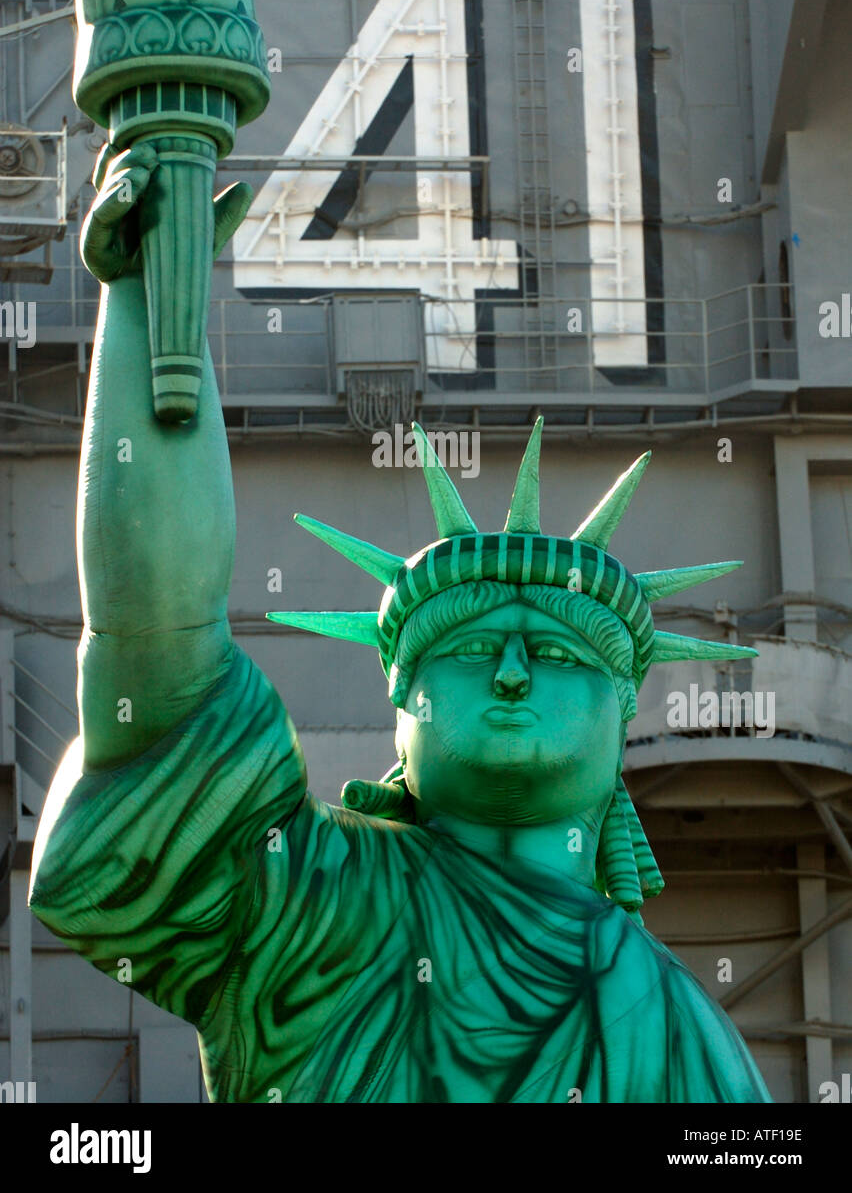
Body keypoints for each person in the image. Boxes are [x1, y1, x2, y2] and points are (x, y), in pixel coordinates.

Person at [29, 144, 772, 1103]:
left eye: (554, 652)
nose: (510, 673)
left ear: (624, 712)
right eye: (465, 649)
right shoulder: (317, 904)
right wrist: (143, 299)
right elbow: (160, 666)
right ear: (402, 710)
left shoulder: (682, 1034)